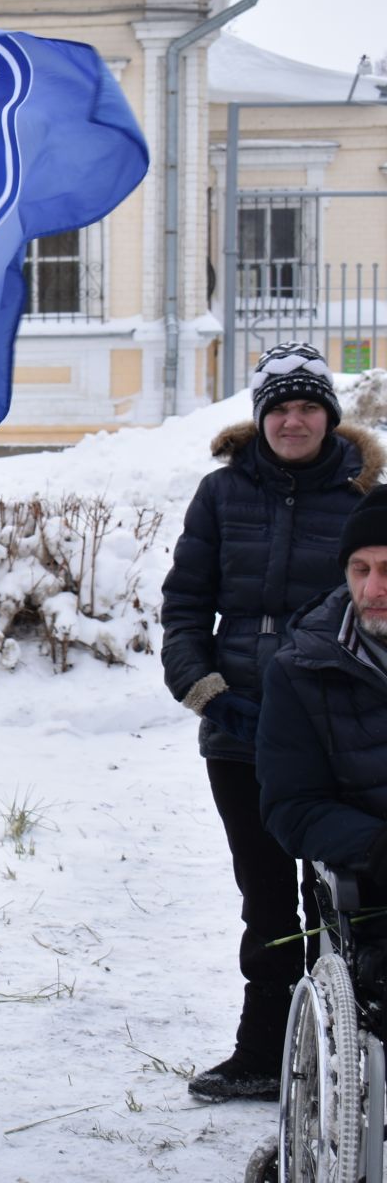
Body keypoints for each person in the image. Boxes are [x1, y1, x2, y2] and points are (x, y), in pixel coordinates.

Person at [161, 341, 381, 1101]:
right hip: (239, 725)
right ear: (260, 419)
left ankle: (341, 1053)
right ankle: (264, 1051)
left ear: (330, 417)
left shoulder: (359, 500)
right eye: (280, 407)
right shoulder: (221, 495)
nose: (294, 421)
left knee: (342, 898)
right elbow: (186, 606)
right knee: (266, 898)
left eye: (308, 406)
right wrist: (207, 690)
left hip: (331, 732)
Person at [260, 488, 387, 875]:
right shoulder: (301, 670)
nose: (372, 590)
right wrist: (378, 847)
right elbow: (293, 807)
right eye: (360, 570)